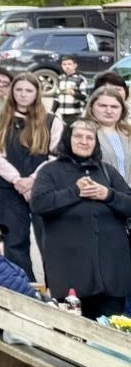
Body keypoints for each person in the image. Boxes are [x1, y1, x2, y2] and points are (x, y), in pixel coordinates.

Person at [32, 118, 131, 318]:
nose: (84, 141)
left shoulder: (107, 171)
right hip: (70, 275)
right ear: (68, 139)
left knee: (112, 330)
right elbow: (39, 204)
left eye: (89, 137)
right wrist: (74, 191)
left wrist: (108, 195)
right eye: (78, 136)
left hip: (111, 275)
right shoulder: (50, 171)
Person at [0, 71, 52, 281]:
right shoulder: (2, 121)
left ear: (37, 93)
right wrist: (17, 180)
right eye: (19, 90)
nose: (23, 95)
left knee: (49, 241)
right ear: (12, 92)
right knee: (14, 241)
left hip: (43, 189)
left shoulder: (51, 122)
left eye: (29, 90)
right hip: (10, 189)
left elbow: (55, 156)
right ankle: (24, 287)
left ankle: (57, 289)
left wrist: (33, 180)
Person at [51, 55, 92, 125]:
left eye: (69, 64)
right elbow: (57, 97)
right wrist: (52, 111)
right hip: (62, 113)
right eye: (64, 64)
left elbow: (85, 97)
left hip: (75, 113)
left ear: (75, 65)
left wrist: (74, 94)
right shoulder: (60, 78)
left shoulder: (80, 79)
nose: (67, 66)